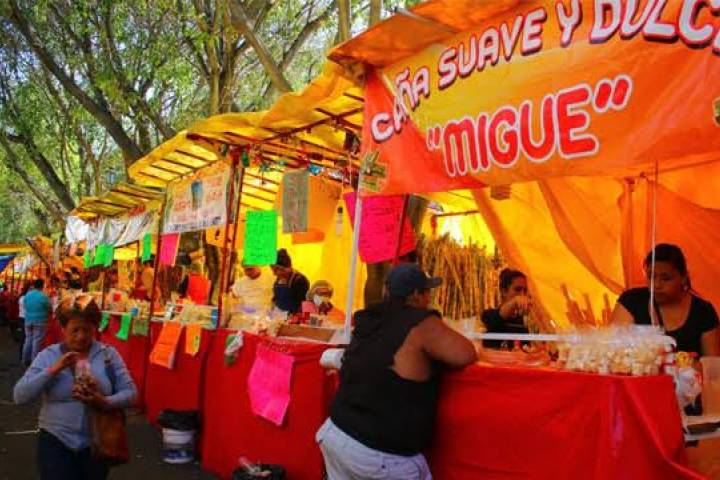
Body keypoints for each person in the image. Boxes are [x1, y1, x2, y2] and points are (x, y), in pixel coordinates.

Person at [318, 263, 477, 479]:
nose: (428, 299)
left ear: (387, 291)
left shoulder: (370, 317)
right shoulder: (420, 322)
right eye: (426, 293)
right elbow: (465, 353)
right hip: (379, 456)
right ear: (416, 295)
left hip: (336, 433)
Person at [14, 294, 136, 480]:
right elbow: (20, 395)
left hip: (96, 442)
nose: (81, 337)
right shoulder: (49, 355)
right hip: (56, 441)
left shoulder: (108, 355)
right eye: (75, 330)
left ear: (95, 328)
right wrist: (54, 369)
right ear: (63, 329)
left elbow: (131, 393)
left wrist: (104, 401)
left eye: (87, 330)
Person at [611, 244, 720, 357]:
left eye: (666, 278)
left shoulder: (704, 312)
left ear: (683, 278)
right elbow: (615, 353)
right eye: (651, 277)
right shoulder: (631, 301)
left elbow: (712, 363)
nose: (657, 285)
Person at [481, 269, 531, 349]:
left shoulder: (522, 323)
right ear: (504, 291)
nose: (522, 294)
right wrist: (514, 301)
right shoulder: (489, 315)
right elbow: (498, 317)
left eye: (525, 291)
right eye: (517, 290)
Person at [271, 249, 309, 315]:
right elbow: (275, 298)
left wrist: (293, 317)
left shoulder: (300, 280)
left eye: (276, 270)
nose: (274, 273)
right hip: (278, 315)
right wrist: (272, 307)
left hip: (293, 317)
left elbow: (303, 305)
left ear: (285, 268)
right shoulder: (278, 280)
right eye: (273, 270)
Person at [22, 279, 51, 366]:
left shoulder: (27, 295)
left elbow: (24, 305)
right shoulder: (43, 296)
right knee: (36, 341)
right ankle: (34, 362)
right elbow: (49, 308)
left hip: (28, 319)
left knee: (28, 339)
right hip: (40, 321)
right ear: (42, 286)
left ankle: (24, 359)